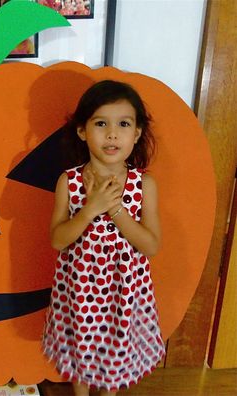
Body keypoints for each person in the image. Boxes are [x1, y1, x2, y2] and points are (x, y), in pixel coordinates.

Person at [42, 80, 166, 396]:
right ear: (83, 131)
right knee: (81, 344)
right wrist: (89, 209)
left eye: (123, 124)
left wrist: (115, 210)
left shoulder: (144, 185)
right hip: (79, 290)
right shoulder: (68, 181)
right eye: (101, 123)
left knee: (116, 346)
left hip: (124, 291)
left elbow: (150, 245)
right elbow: (58, 239)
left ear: (136, 134)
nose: (112, 134)